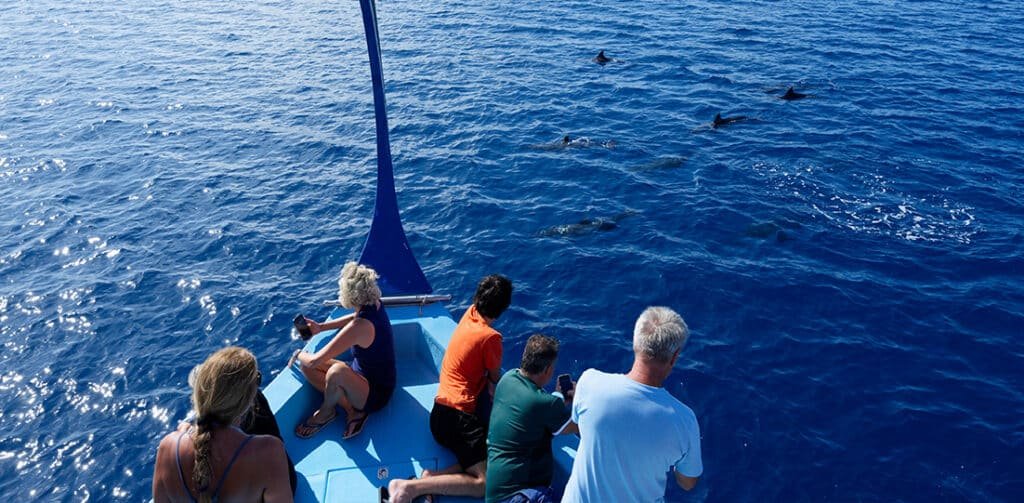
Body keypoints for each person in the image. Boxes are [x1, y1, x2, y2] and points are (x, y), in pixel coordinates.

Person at [385, 274, 513, 503]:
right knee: (484, 483)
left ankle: (431, 477)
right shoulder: (491, 337)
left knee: (480, 456)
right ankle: (407, 488)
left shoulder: (471, 313)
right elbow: (495, 377)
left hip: (440, 415)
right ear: (503, 308)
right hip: (458, 419)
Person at [561, 306, 703, 503]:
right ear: (675, 356)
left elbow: (578, 425)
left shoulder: (589, 382)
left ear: (636, 342)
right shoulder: (684, 420)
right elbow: (687, 482)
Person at [152, 347, 292, 502]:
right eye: (256, 380)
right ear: (247, 399)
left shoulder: (168, 446)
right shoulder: (269, 451)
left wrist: (184, 432)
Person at [293, 261, 396, 439]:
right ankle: (352, 410)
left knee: (333, 371)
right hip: (364, 374)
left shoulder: (359, 326)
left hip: (377, 393)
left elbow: (314, 360)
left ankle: (326, 413)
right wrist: (321, 327)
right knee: (308, 368)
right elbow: (353, 317)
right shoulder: (374, 304)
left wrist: (298, 354)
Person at [486, 334, 578, 503]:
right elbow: (578, 427)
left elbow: (536, 406)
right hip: (517, 497)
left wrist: (558, 398)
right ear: (547, 370)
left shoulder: (508, 379)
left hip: (495, 493)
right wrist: (581, 397)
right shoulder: (544, 403)